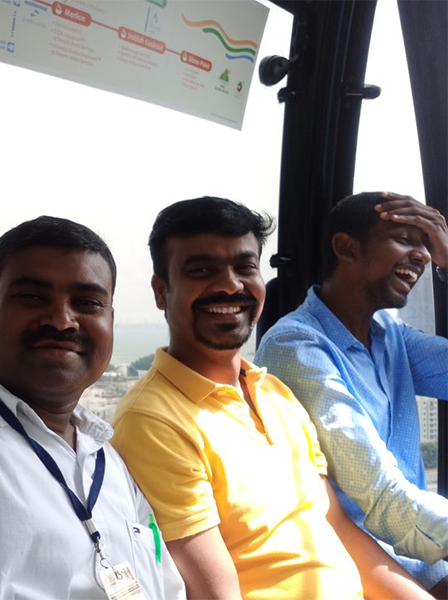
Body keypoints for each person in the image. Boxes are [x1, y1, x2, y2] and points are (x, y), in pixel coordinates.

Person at [111, 196, 431, 599]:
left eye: (245, 267)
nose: (229, 285)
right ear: (162, 292)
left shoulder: (275, 394)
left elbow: (337, 528)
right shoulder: (153, 421)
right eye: (202, 271)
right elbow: (215, 593)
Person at [0, 216, 186, 599]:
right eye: (32, 297)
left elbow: (168, 587)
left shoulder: (105, 458)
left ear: (110, 323)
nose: (62, 321)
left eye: (87, 303)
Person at [256, 191, 448, 596]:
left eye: (426, 245)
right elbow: (382, 497)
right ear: (347, 248)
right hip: (357, 571)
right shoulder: (297, 347)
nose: (423, 256)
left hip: (420, 562)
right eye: (404, 240)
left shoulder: (391, 337)